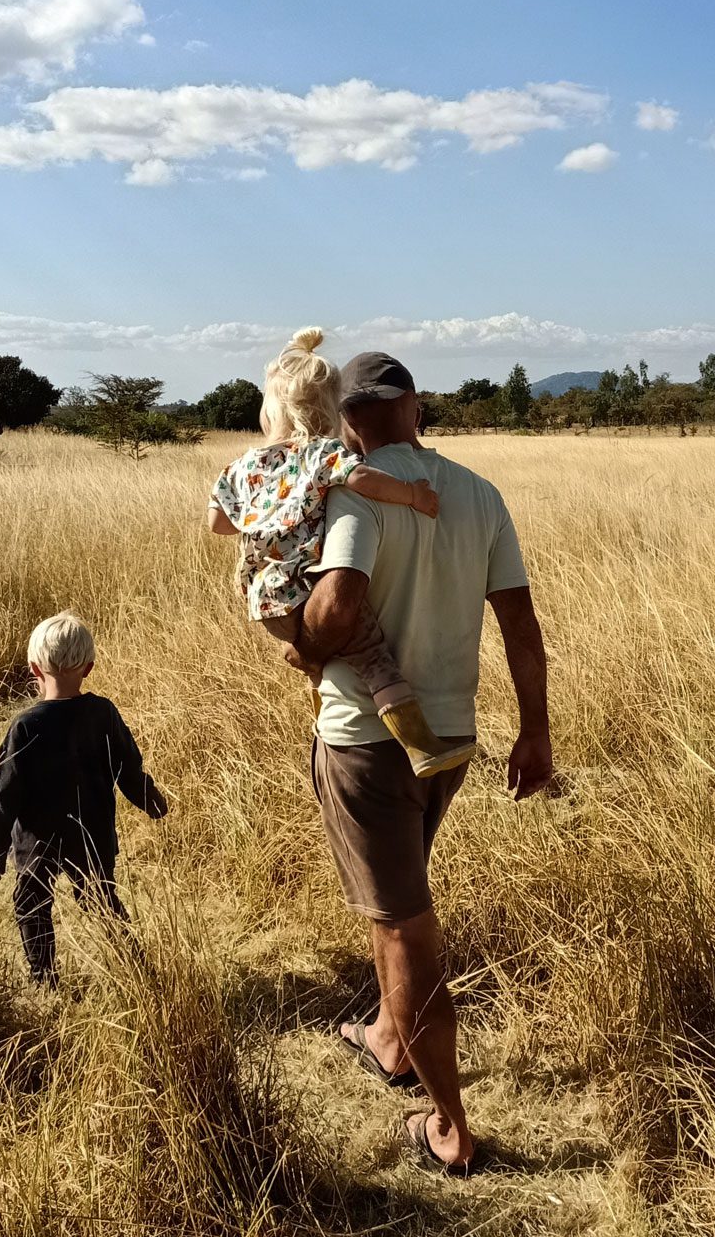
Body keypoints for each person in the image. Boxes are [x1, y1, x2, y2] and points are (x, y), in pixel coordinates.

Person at [285, 349, 553, 1178]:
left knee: (405, 929)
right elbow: (518, 622)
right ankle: (390, 1040)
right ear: (416, 404)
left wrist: (302, 642)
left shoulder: (355, 495)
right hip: (449, 743)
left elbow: (334, 609)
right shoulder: (477, 492)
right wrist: (535, 731)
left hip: (365, 740)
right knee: (394, 906)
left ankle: (450, 1128)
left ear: (342, 417)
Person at [208, 327, 476, 778]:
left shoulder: (241, 466)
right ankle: (420, 744)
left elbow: (218, 524)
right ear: (333, 408)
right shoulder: (320, 454)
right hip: (309, 594)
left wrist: (266, 511)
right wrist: (412, 496)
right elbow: (364, 480)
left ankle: (317, 699)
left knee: (327, 661)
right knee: (373, 657)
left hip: (265, 602)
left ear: (269, 407)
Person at [0, 612, 168, 986]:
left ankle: (44, 977)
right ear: (89, 667)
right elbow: (128, 765)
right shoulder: (102, 714)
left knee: (31, 905)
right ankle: (136, 971)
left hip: (38, 842)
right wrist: (151, 801)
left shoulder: (26, 726)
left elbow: (3, 792)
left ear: (34, 668)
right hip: (92, 833)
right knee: (103, 903)